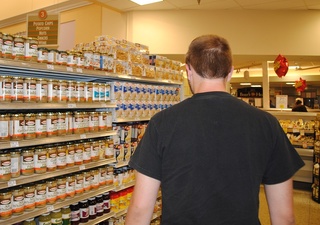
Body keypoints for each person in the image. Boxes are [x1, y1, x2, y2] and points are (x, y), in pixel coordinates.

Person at [125, 35, 304, 225]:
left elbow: (140, 210)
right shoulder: (266, 124)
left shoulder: (162, 124)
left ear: (188, 70)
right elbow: (284, 217)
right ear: (230, 72)